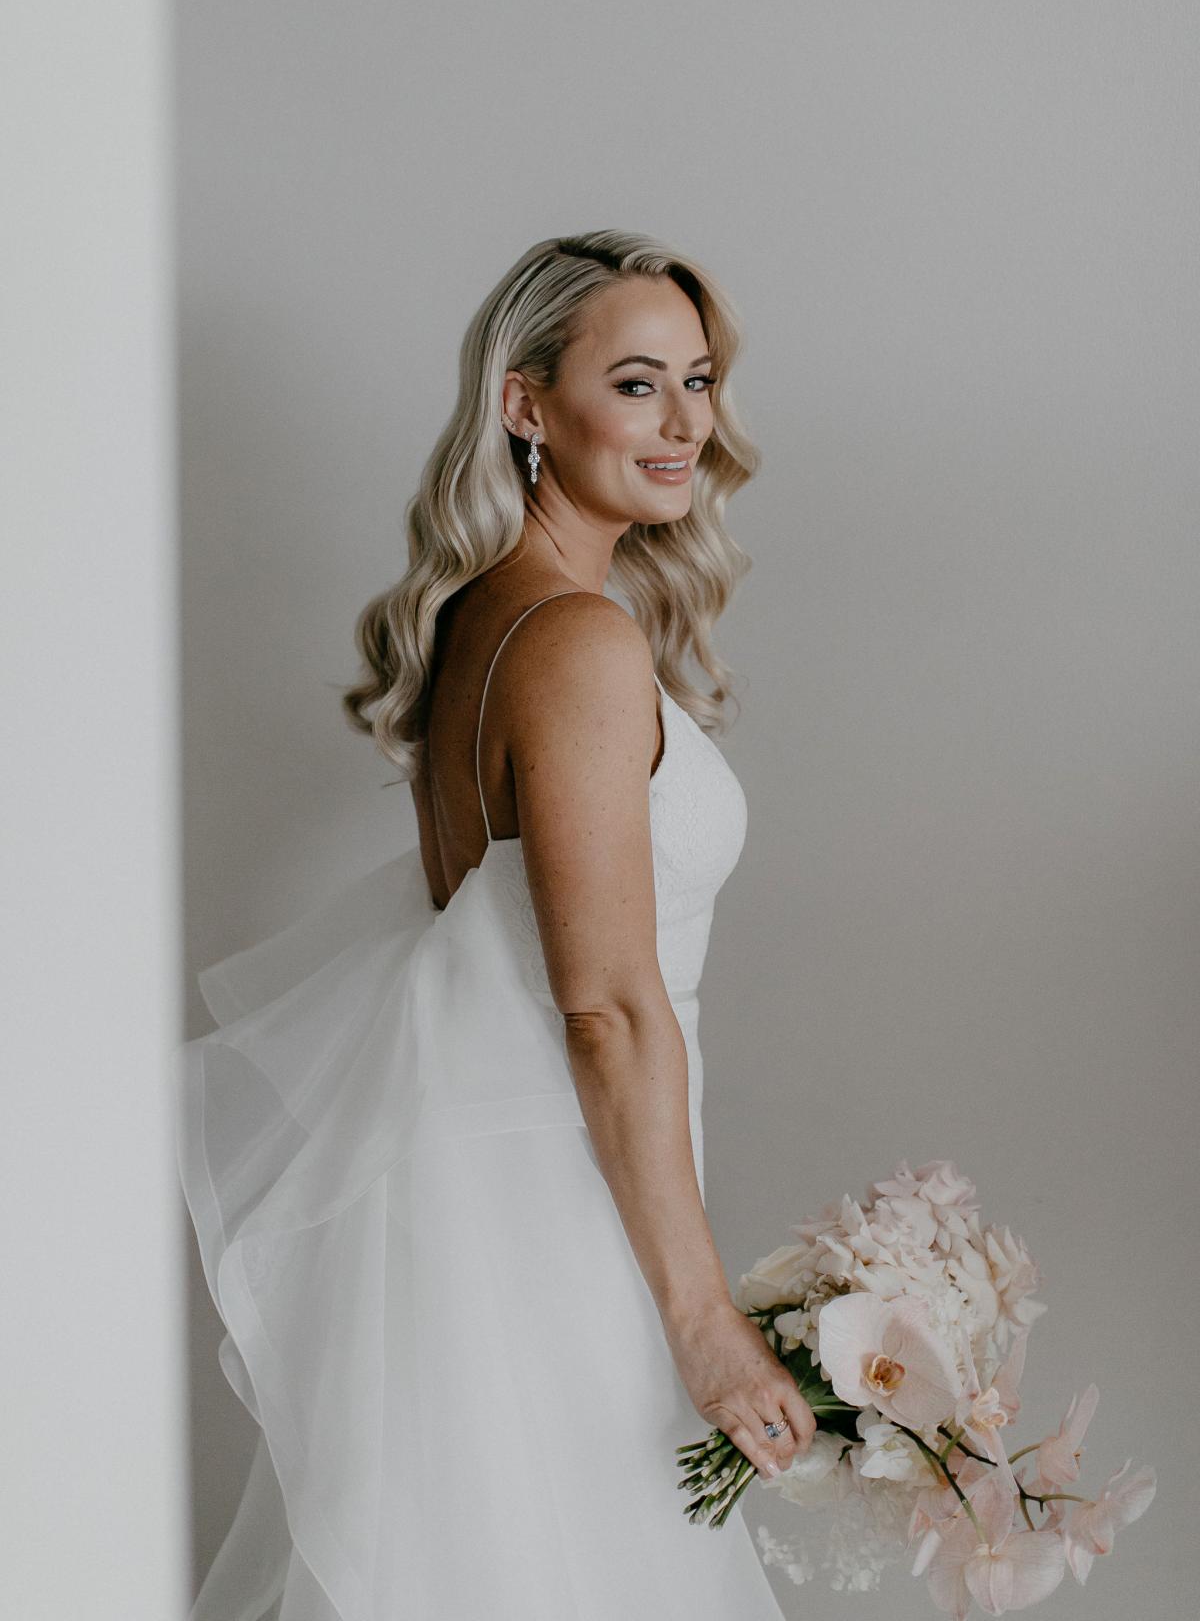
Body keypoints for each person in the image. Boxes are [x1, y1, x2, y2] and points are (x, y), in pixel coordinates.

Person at [174, 229, 815, 1620]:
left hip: (502, 1182)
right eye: (636, 382)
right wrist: (705, 1323)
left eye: (696, 381)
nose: (686, 422)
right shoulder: (578, 642)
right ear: (527, 405)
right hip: (566, 1208)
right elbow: (605, 1006)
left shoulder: (485, 618)